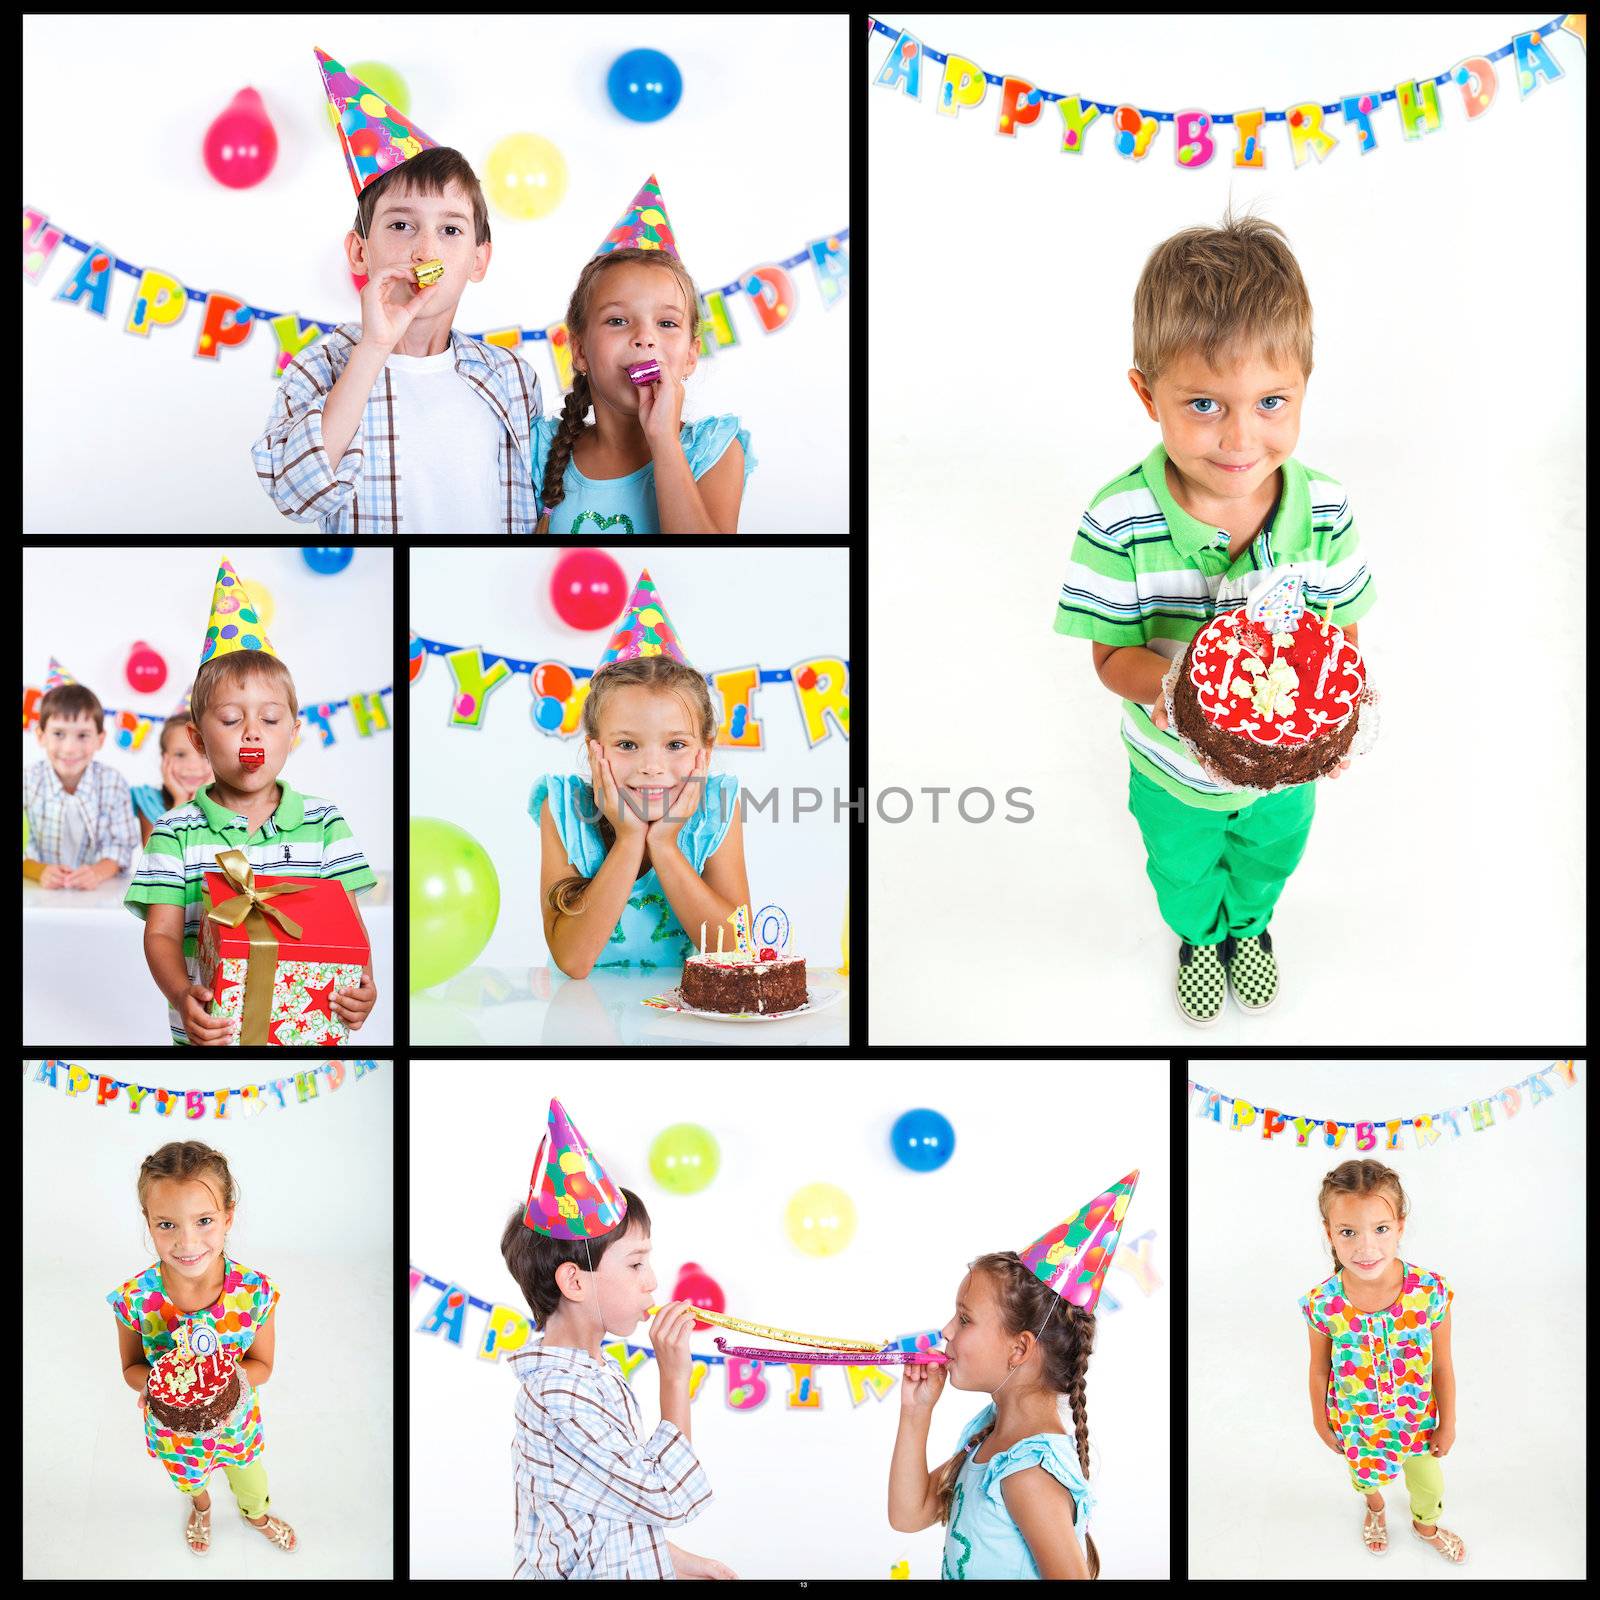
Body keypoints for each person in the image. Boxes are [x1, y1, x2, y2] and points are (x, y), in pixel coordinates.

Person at [1051, 203, 1376, 1024]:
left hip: (1283, 776)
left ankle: (1253, 926)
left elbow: (1340, 630)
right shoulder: (1118, 518)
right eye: (1203, 405)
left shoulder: (1326, 509)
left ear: (1304, 384)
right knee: (1184, 868)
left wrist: (1330, 718)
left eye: (1272, 402)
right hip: (1172, 770)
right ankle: (1200, 935)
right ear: (1146, 392)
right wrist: (1177, 696)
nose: (1239, 438)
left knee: (1271, 853)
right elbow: (1108, 657)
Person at [251, 52, 544, 534]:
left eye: (450, 230)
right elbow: (296, 494)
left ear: (479, 260)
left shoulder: (511, 377)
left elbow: (540, 505)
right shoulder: (319, 367)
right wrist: (374, 347)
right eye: (402, 225)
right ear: (360, 252)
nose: (425, 249)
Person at [124, 559, 378, 1043]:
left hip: (307, 1028)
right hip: (210, 1035)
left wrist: (363, 983)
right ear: (198, 740)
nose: (252, 732)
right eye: (231, 718)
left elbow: (351, 927)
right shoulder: (174, 831)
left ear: (294, 734)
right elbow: (159, 934)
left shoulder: (325, 823)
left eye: (270, 718)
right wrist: (182, 994)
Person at [502, 1097, 734, 1577]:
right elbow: (665, 1499)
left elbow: (605, 1511)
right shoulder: (559, 1393)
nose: (651, 1281)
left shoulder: (590, 1373)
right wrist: (674, 1379)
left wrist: (687, 1564)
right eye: (635, 1263)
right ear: (575, 1282)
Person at [888, 1171, 1139, 1579]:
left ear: (1020, 1348)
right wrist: (916, 1413)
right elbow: (909, 1514)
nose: (947, 1331)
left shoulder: (1028, 1471)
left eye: (965, 1319)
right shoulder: (992, 1435)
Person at [532, 570, 750, 978]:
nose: (652, 767)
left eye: (676, 745)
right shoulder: (560, 807)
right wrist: (630, 837)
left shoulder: (715, 807)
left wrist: (665, 843)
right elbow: (573, 962)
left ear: (705, 750)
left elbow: (737, 956)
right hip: (582, 1021)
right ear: (594, 747)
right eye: (628, 745)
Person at [532, 177, 754, 534]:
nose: (645, 338)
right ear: (579, 351)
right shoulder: (538, 452)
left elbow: (707, 572)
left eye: (667, 323)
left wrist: (664, 442)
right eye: (618, 320)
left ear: (691, 356)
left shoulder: (714, 452)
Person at [107, 1140, 295, 1555]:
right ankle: (202, 1508)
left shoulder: (255, 1293)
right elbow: (131, 1368)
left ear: (228, 1216)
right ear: (148, 1221)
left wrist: (221, 1384)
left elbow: (263, 1363)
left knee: (251, 1476)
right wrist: (162, 1387)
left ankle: (255, 1514)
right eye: (167, 1225)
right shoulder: (134, 1299)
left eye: (204, 1220)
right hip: (176, 1435)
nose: (187, 1243)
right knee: (191, 1480)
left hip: (238, 1425)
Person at [1300, 1159, 1463, 1563]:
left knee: (1429, 1483)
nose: (1365, 1247)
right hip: (1357, 1423)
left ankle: (1425, 1524)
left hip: (1417, 1420)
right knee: (1364, 1477)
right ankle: (1374, 1507)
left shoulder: (1430, 1291)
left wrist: (1449, 1421)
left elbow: (1443, 1364)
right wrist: (1320, 1420)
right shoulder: (1323, 1303)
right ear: (1330, 1233)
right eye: (1348, 1232)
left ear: (1401, 1226)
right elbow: (1320, 1367)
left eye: (1381, 1229)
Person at [23, 661, 139, 888]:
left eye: (83, 735)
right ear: (41, 736)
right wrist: (40, 871)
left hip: (98, 895)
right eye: (58, 733)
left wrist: (96, 872)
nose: (69, 748)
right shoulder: (27, 782)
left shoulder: (112, 783)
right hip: (36, 895)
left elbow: (121, 846)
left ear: (100, 739)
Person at [131, 690, 213, 847]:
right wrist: (181, 801)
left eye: (204, 755)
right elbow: (156, 861)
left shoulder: (233, 803)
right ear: (164, 758)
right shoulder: (149, 801)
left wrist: (201, 799)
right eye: (180, 754)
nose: (193, 767)